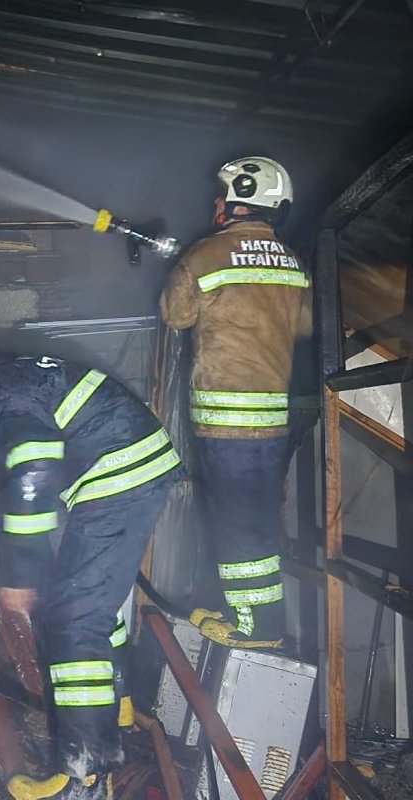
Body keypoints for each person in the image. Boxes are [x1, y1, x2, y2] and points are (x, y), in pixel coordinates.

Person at [0, 324, 182, 800]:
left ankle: (85, 776)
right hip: (123, 467)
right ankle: (117, 705)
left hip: (116, 472)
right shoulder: (5, 380)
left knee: (72, 617)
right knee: (86, 600)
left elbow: (34, 464)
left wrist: (21, 570)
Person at [160, 156, 313, 650]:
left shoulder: (204, 256)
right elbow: (306, 327)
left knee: (235, 523)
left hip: (225, 423)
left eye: (220, 195)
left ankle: (255, 628)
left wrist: (178, 265)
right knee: (258, 518)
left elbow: (175, 316)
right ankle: (252, 610)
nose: (214, 203)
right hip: (273, 419)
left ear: (235, 202)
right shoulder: (292, 262)